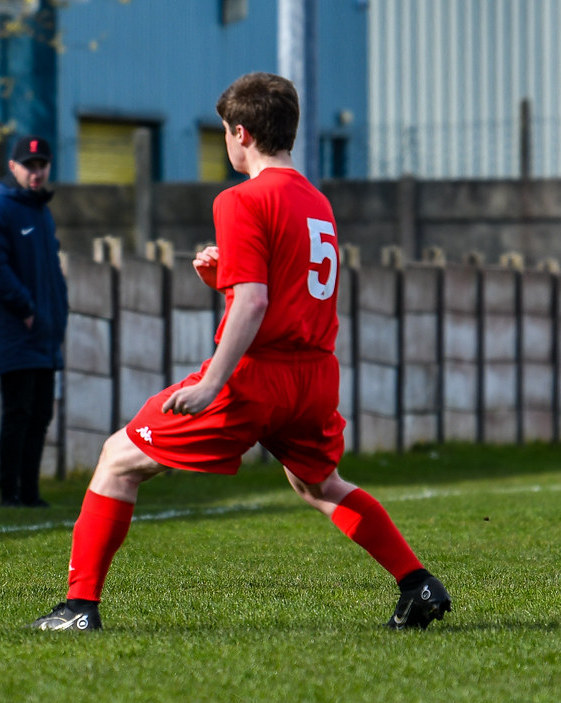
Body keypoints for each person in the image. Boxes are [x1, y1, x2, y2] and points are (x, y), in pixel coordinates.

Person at [30, 73, 451, 632]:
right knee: (319, 484)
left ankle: (79, 608)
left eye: (225, 133)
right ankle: (417, 583)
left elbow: (254, 303)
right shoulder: (316, 200)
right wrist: (224, 275)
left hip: (257, 376)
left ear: (242, 134)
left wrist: (210, 384)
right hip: (315, 374)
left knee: (118, 460)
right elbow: (283, 289)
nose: (226, 143)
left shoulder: (240, 198)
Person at [0, 135, 68, 508]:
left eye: (42, 164)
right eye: (29, 165)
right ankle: (9, 493)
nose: (36, 171)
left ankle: (29, 492)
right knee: (18, 412)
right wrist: (26, 308)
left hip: (44, 331)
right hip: (16, 329)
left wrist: (55, 313)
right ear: (13, 167)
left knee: (41, 413)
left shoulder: (40, 210)